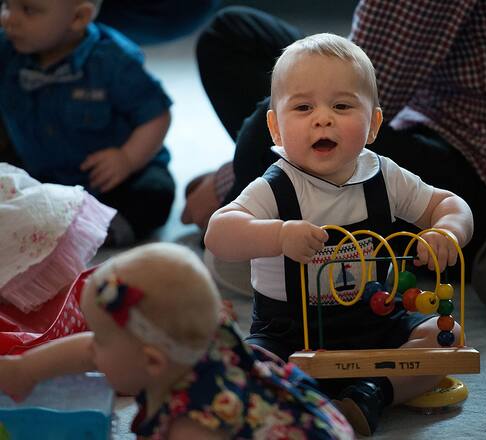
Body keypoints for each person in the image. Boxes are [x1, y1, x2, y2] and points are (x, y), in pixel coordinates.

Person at [186, 1, 486, 322]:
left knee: (265, 118)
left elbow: (364, 85)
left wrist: (234, 181)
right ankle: (297, 177)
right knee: (239, 36)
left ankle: (305, 189)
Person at [204, 33, 474, 436]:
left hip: (377, 321)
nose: (323, 118)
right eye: (303, 107)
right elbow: (218, 235)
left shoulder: (384, 176)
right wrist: (277, 235)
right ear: (275, 128)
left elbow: (450, 203)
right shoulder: (276, 187)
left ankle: (370, 393)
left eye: (342, 106)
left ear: (373, 125)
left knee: (445, 336)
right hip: (288, 335)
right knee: (238, 366)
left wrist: (445, 230)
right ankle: (305, 393)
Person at [0, 242, 355, 439]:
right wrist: (24, 370)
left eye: (101, 340)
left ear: (151, 362)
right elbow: (91, 351)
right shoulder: (184, 344)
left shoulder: (193, 427)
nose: (92, 347)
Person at [0, 0, 175, 246]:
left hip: (108, 180)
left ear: (79, 18)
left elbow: (157, 116)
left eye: (28, 10)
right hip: (38, 173)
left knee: (154, 193)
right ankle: (46, 223)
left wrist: (126, 158)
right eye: (7, 5)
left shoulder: (114, 60)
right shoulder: (7, 50)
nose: (8, 18)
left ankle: (100, 233)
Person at [0, 163, 115, 312]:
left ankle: (105, 311)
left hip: (23, 225)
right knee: (73, 291)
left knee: (74, 293)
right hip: (29, 215)